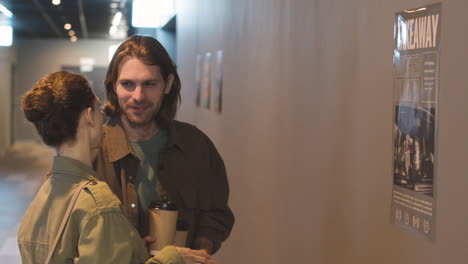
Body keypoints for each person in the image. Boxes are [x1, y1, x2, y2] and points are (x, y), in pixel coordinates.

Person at [18, 71, 214, 264]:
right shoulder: (98, 205)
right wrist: (172, 258)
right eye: (98, 108)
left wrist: (132, 247)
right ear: (88, 116)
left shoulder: (45, 194)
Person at [93, 35, 234, 255]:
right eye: (128, 84)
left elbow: (216, 214)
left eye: (149, 84)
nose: (138, 96)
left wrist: (200, 250)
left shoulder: (195, 145)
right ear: (114, 86)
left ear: (167, 84)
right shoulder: (92, 150)